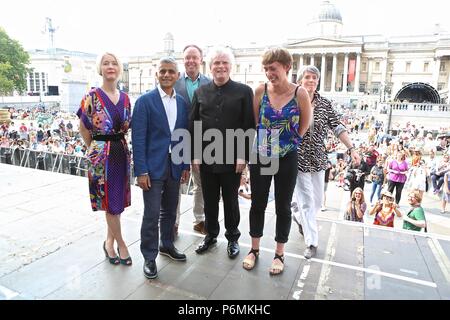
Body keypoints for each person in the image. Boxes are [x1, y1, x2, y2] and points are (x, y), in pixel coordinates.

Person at [242, 48, 311, 275]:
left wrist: (291, 142)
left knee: (283, 205)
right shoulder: (260, 91)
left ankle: (279, 253)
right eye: (266, 69)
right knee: (258, 203)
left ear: (286, 67)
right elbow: (255, 123)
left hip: (288, 156)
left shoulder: (300, 93)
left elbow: (305, 124)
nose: (269, 73)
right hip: (262, 152)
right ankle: (254, 249)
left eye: (273, 68)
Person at [190, 47, 254, 259]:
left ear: (231, 67)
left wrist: (242, 156)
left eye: (224, 62)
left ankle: (233, 237)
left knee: (230, 200)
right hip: (207, 156)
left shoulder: (244, 91)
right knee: (209, 200)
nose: (220, 66)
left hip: (232, 157)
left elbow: (248, 126)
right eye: (216, 63)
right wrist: (195, 154)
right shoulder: (200, 92)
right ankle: (210, 236)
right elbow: (194, 125)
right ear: (210, 67)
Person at [292, 65, 360, 259]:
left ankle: (297, 217)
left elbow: (337, 127)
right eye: (307, 77)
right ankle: (311, 242)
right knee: (306, 201)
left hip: (319, 158)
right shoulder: (293, 101)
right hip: (298, 157)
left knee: (317, 201)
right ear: (300, 81)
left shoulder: (324, 104)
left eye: (314, 77)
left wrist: (351, 148)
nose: (311, 81)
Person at [132, 57, 190, 279]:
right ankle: (149, 256)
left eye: (171, 71)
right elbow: (138, 139)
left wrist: (184, 164)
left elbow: (184, 136)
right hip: (152, 168)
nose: (166, 75)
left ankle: (167, 245)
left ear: (177, 75)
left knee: (170, 210)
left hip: (174, 166)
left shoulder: (182, 103)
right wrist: (141, 171)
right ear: (156, 74)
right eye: (162, 71)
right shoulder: (145, 101)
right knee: (152, 213)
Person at [77, 52, 132, 266]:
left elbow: (128, 126)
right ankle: (122, 244)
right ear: (100, 68)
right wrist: (94, 148)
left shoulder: (126, 98)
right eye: (106, 63)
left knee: (116, 202)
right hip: (101, 155)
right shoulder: (91, 96)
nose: (110, 66)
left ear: (119, 69)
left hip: (120, 151)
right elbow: (83, 127)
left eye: (114, 63)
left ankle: (109, 243)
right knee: (110, 203)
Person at [174, 45, 211, 236]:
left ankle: (199, 220)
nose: (190, 61)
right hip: (178, 138)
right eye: (187, 57)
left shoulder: (210, 82)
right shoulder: (174, 81)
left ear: (201, 59)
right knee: (176, 182)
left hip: (201, 140)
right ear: (183, 60)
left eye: (194, 57)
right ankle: (174, 222)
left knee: (200, 183)